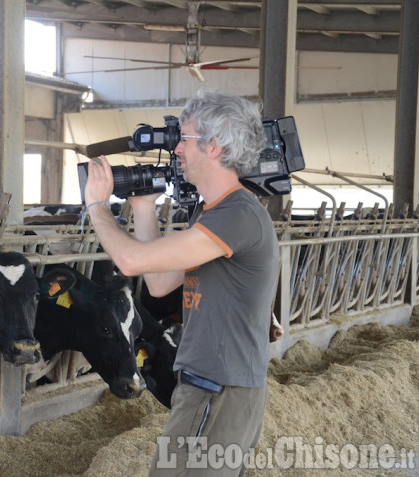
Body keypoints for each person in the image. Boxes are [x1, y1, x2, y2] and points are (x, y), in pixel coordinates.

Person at [82, 90, 279, 476]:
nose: (175, 150)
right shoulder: (213, 213)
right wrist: (143, 208)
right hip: (209, 387)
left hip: (218, 391)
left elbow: (129, 260)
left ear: (215, 146)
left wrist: (97, 206)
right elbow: (158, 284)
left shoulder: (236, 216)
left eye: (183, 140)